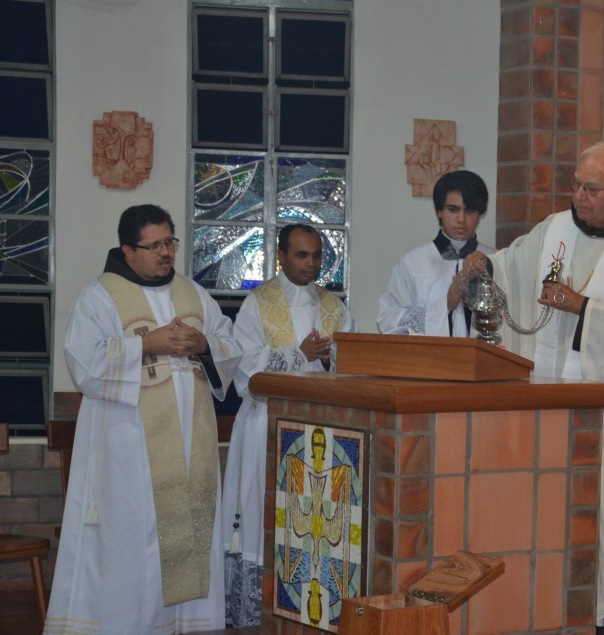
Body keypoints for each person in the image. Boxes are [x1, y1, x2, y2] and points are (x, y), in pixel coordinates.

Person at [464, 142, 604, 633]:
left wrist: (583, 308)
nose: (579, 196)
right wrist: (486, 267)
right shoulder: (555, 228)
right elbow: (515, 264)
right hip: (545, 399)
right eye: (576, 184)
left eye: (591, 188)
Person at [46, 204, 242, 634]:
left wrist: (204, 344)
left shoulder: (193, 294)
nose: (165, 252)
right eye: (153, 245)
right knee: (138, 538)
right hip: (129, 451)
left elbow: (232, 345)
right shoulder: (100, 295)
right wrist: (146, 344)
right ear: (127, 250)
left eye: (169, 242)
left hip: (191, 451)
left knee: (186, 531)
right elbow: (85, 363)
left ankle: (187, 624)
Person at [221, 223, 356, 626]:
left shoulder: (335, 307)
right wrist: (298, 355)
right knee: (263, 511)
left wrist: (334, 360)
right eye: (301, 255)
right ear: (281, 256)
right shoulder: (258, 303)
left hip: (322, 431)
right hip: (267, 422)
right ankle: (255, 609)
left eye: (316, 256)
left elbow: (354, 363)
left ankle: (308, 606)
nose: (311, 264)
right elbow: (244, 370)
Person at [377, 169, 495, 336]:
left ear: (480, 213)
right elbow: (387, 320)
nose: (461, 219)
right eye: (453, 210)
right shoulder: (413, 263)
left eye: (470, 211)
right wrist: (445, 305)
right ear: (439, 211)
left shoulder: (495, 260)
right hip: (428, 360)